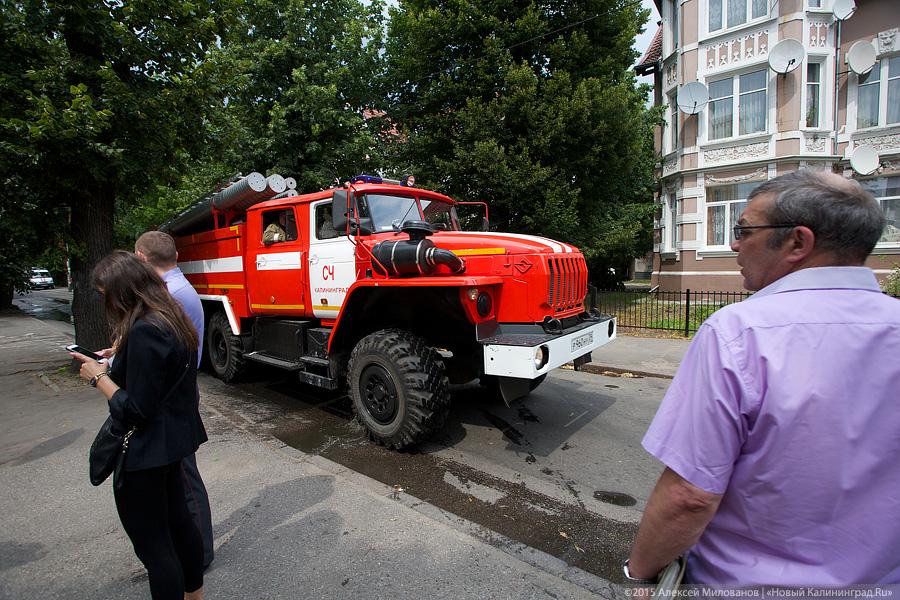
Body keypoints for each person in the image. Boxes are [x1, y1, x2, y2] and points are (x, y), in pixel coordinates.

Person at [625, 169, 900, 586]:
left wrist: (639, 574)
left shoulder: (738, 333)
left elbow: (690, 496)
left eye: (744, 230)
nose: (734, 244)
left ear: (798, 242)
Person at [71, 251, 207, 600]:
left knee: (155, 546)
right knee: (180, 524)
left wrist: (98, 377)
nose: (105, 303)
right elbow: (158, 379)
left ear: (122, 293)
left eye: (105, 295)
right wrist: (117, 360)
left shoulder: (146, 329)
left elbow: (137, 410)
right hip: (173, 441)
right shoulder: (172, 317)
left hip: (147, 451)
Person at [135, 231, 214, 570]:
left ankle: (199, 553)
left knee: (184, 477)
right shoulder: (176, 290)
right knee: (178, 475)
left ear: (141, 258)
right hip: (177, 390)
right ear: (176, 255)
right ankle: (189, 546)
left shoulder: (171, 295)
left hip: (173, 394)